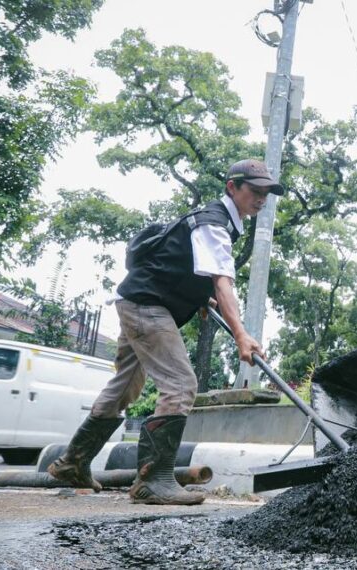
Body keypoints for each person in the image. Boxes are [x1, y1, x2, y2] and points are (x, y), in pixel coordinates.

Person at [46, 159, 279, 506]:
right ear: (233, 186)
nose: (261, 198)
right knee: (181, 385)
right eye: (254, 190)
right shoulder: (215, 224)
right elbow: (223, 282)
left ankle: (72, 463)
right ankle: (153, 480)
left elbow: (189, 270)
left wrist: (201, 297)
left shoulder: (216, 221)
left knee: (126, 385)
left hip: (137, 301)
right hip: (146, 306)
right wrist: (241, 334)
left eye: (266, 193)